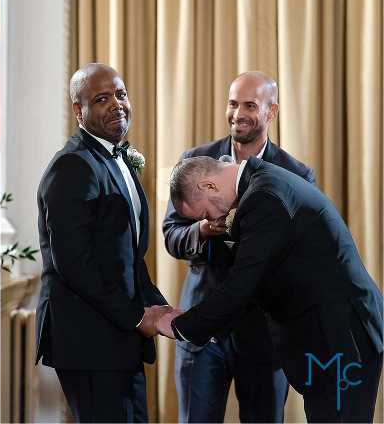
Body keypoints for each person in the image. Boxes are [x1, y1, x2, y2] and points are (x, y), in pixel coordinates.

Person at [162, 156, 383, 423]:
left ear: (209, 186)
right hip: (329, 339)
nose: (212, 220)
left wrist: (177, 326)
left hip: (341, 341)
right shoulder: (263, 183)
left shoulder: (263, 197)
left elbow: (241, 287)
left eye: (205, 213)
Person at [162, 71, 314, 423]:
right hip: (203, 332)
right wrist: (201, 230)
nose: (238, 114)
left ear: (271, 111)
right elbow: (171, 234)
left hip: (264, 335)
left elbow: (298, 254)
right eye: (233, 104)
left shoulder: (296, 174)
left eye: (250, 105)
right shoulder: (194, 160)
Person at [35, 63, 173, 423]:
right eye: (101, 99)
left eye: (120, 94)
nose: (116, 104)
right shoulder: (72, 167)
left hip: (119, 335)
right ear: (78, 110)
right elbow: (74, 265)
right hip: (90, 341)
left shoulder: (115, 157)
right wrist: (137, 317)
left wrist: (159, 308)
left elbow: (127, 255)